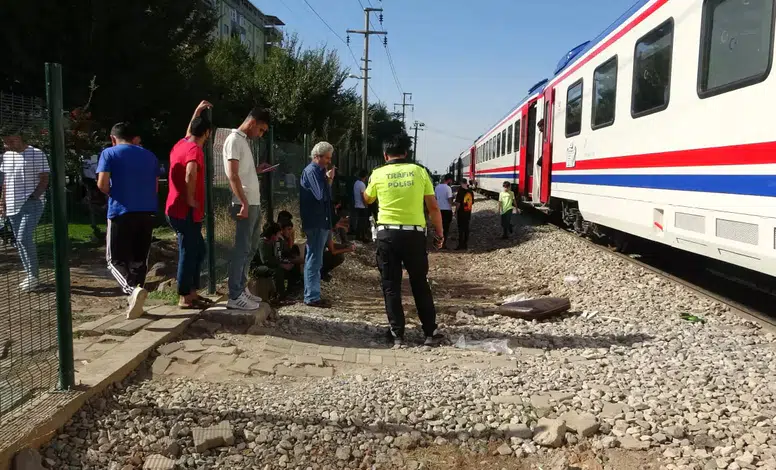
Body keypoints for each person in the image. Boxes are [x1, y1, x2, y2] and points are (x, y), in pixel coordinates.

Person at [362, 132, 446, 348]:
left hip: (387, 235)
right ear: (406, 152)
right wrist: (439, 232)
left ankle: (397, 334)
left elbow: (368, 198)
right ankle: (430, 332)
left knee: (391, 285)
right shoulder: (419, 172)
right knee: (420, 283)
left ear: (385, 154)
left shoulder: (378, 174)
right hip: (414, 235)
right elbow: (433, 207)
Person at [97, 122, 159, 319]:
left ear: (113, 138)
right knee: (139, 260)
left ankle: (132, 290)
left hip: (121, 211)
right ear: (134, 138)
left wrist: (113, 193)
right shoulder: (150, 155)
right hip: (147, 212)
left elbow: (102, 183)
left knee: (114, 260)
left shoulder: (110, 153)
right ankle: (136, 303)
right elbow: (156, 186)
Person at [223, 107, 275, 310]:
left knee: (251, 248)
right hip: (244, 203)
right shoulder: (234, 140)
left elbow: (242, 172)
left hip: (253, 202)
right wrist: (243, 202)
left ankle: (241, 288)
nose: (260, 135)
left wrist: (256, 170)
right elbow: (232, 175)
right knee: (242, 248)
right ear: (252, 122)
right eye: (261, 130)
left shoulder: (243, 141)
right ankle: (234, 295)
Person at [165, 100, 214, 309]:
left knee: (199, 250)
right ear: (208, 133)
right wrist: (191, 198)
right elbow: (190, 172)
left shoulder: (182, 144)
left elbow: (190, 130)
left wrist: (197, 111)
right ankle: (185, 296)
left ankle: (192, 292)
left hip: (175, 209)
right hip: (185, 210)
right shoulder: (195, 150)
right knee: (189, 250)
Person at [0, 129, 49, 292]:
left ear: (18, 137)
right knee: (19, 242)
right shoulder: (7, 156)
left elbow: (44, 178)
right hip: (12, 204)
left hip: (31, 203)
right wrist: (2, 203)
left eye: (9, 141)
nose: (7, 145)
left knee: (23, 237)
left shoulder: (36, 153)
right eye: (4, 142)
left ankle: (33, 276)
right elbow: (6, 180)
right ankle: (30, 275)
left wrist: (34, 196)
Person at [300, 141, 335, 308]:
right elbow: (319, 195)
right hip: (315, 221)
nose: (328, 161)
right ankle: (312, 296)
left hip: (320, 220)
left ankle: (312, 294)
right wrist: (328, 180)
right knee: (314, 259)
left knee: (315, 258)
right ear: (317, 156)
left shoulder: (318, 172)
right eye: (326, 158)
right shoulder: (312, 172)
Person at [258, 222, 298, 302]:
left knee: (292, 267)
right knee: (277, 270)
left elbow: (280, 254)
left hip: (270, 264)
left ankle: (290, 291)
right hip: (258, 266)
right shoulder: (262, 242)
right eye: (277, 234)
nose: (279, 236)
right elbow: (266, 260)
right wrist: (282, 265)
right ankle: (280, 296)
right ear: (272, 234)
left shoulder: (273, 242)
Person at [435, 174, 454, 248]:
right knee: (445, 228)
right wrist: (454, 202)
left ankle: (437, 244)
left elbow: (435, 198)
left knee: (439, 227)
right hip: (447, 210)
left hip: (438, 210)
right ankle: (443, 245)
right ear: (449, 180)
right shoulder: (448, 188)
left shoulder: (437, 187)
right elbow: (449, 200)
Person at [454, 178, 475, 250]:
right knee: (466, 228)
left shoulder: (460, 191)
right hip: (468, 212)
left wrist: (455, 211)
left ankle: (460, 245)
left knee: (460, 229)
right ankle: (465, 244)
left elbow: (458, 203)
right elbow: (472, 202)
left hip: (461, 213)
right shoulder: (470, 191)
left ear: (461, 183)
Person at [352, 170, 370, 242]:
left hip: (357, 205)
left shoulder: (356, 183)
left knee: (359, 222)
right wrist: (366, 204)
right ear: (365, 176)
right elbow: (363, 196)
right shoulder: (362, 184)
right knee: (363, 222)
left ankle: (358, 236)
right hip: (362, 206)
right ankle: (362, 237)